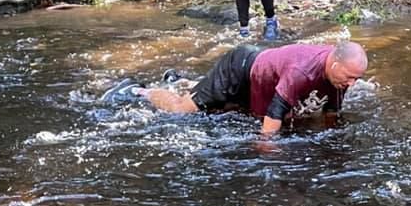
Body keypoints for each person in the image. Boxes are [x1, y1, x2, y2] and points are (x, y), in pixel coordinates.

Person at [140, 40, 369, 136]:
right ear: (335, 63)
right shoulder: (301, 72)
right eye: (350, 78)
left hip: (261, 79)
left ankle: (185, 82)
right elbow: (270, 127)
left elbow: (331, 113)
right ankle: (142, 91)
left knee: (227, 111)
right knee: (182, 109)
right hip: (238, 71)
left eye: (357, 79)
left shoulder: (341, 74)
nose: (352, 84)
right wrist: (270, 161)